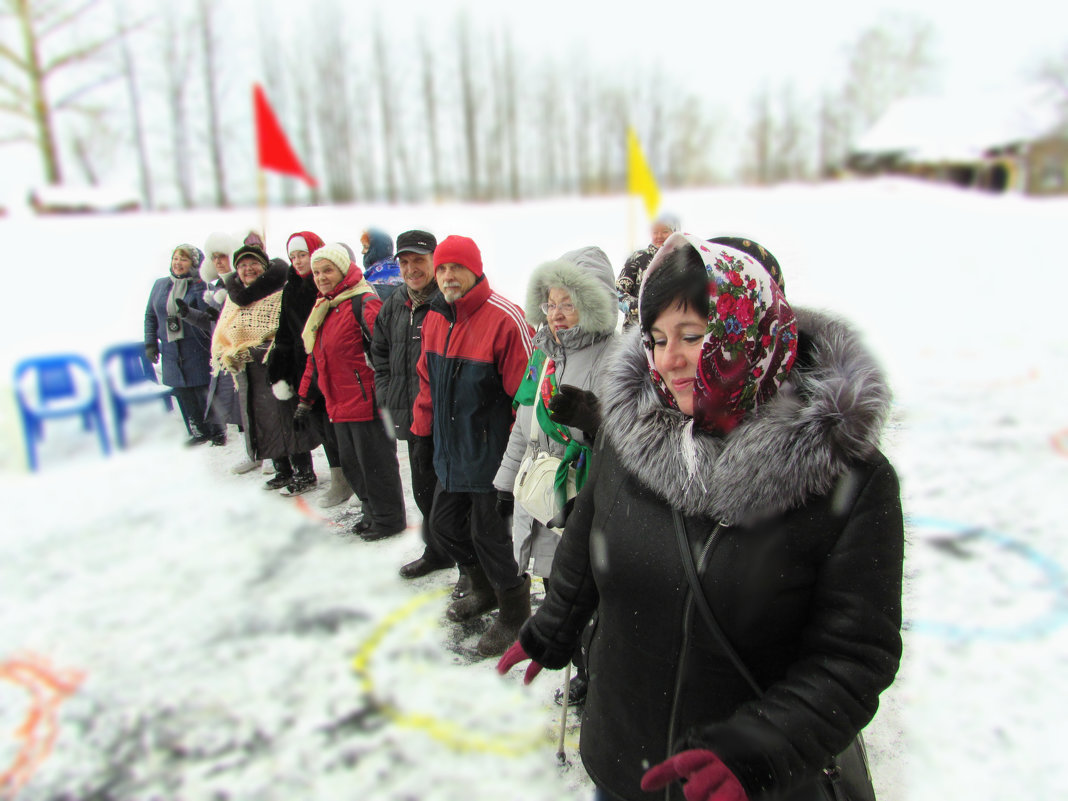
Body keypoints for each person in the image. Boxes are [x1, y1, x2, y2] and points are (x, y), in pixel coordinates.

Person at [498, 233, 903, 801]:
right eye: (658, 338)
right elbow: (590, 532)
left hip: (742, 782)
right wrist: (556, 622)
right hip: (622, 756)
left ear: (750, 330)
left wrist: (759, 747)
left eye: (693, 336)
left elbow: (855, 654)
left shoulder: (847, 480)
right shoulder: (634, 429)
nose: (669, 359)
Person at [491, 245, 618, 706]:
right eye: (551, 302)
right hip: (542, 495)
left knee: (594, 600)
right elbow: (524, 428)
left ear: (593, 303)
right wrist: (505, 486)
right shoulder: (544, 355)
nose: (557, 313)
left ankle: (602, 673)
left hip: (585, 498)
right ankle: (583, 667)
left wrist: (592, 421)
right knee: (557, 589)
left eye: (568, 302)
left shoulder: (616, 356)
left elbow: (628, 437)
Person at [411, 235, 534, 658]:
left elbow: (527, 396)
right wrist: (421, 431)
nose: (447, 275)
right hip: (450, 451)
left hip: (491, 456)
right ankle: (482, 588)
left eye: (456, 268)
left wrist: (518, 459)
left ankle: (515, 611)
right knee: (444, 527)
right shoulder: (434, 318)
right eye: (442, 268)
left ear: (476, 269)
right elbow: (426, 380)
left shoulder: (505, 318)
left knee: (491, 536)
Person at [297, 243, 407, 540]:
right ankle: (371, 512)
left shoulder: (363, 301)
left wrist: (388, 393)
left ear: (343, 270)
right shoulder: (326, 306)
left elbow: (386, 350)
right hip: (338, 401)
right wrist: (304, 399)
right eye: (317, 272)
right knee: (354, 464)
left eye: (328, 270)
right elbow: (316, 357)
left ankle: (389, 519)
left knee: (376, 464)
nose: (321, 277)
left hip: (366, 400)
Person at [370, 229, 455, 579]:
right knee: (423, 493)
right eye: (404, 262)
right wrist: (388, 395)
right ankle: (437, 551)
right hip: (411, 417)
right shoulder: (395, 303)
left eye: (418, 260)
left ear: (435, 260)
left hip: (447, 422)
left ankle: (468, 566)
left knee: (454, 501)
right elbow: (380, 354)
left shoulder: (450, 300)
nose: (410, 269)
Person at [211, 244, 321, 493]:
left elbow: (288, 331)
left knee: (287, 419)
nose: (248, 269)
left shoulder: (279, 292)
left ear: (264, 266)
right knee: (262, 421)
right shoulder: (234, 297)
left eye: (253, 264)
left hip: (277, 366)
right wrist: (231, 352)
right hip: (247, 371)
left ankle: (304, 472)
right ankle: (282, 470)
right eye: (242, 265)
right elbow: (225, 332)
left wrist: (261, 350)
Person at [267, 231, 355, 508]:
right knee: (323, 428)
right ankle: (340, 478)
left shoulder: (325, 287)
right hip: (303, 369)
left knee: (343, 428)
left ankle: (355, 479)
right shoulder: (291, 288)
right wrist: (278, 370)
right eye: (292, 256)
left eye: (302, 255)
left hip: (330, 368)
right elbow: (284, 332)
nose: (297, 261)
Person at [144, 243, 225, 446]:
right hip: (171, 348)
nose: (178, 263)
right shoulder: (160, 285)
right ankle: (198, 430)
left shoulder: (203, 286)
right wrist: (150, 343)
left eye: (184, 259)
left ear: (194, 264)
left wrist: (198, 289)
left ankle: (217, 431)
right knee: (182, 391)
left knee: (203, 390)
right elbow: (151, 315)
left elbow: (210, 318)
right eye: (175, 258)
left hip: (196, 347)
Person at [616, 212, 681, 330]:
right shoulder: (638, 258)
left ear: (675, 233)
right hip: (636, 333)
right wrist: (642, 306)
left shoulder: (682, 260)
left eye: (665, 232)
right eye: (655, 232)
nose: (659, 236)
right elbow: (617, 294)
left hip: (670, 331)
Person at [361, 227, 402, 301]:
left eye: (366, 247)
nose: (363, 252)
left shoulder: (372, 285)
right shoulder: (404, 275)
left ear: (376, 250)